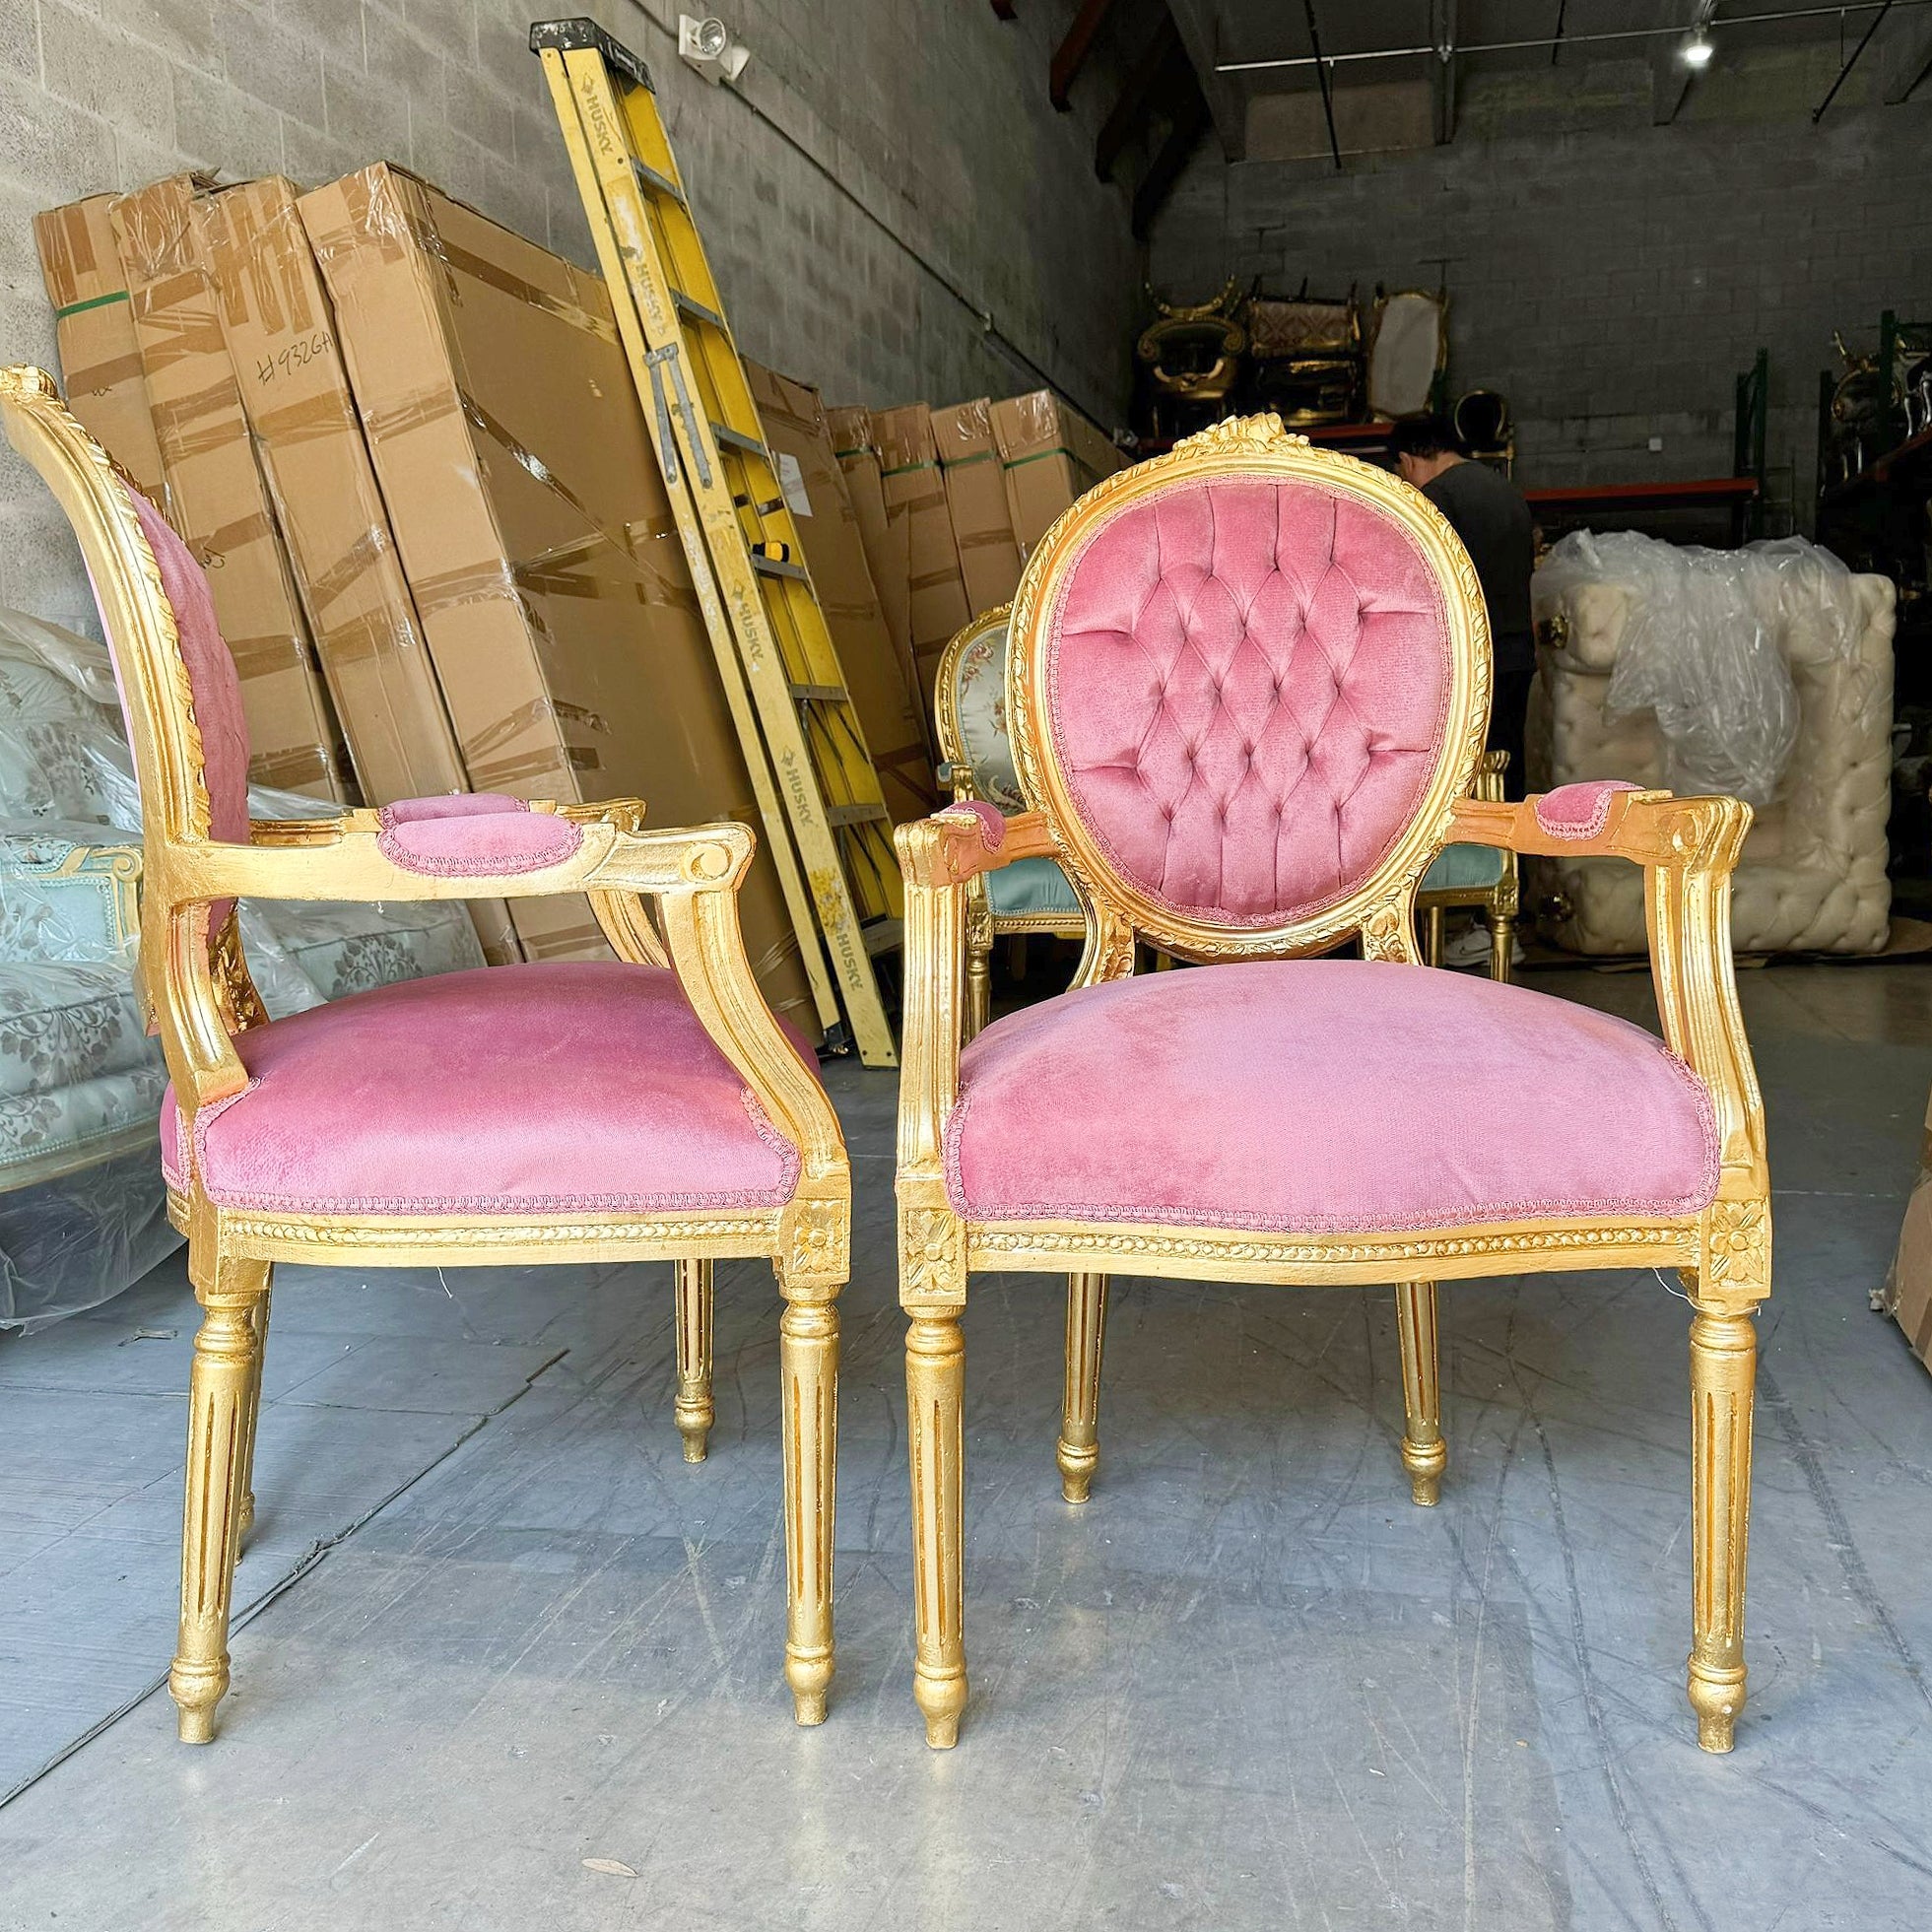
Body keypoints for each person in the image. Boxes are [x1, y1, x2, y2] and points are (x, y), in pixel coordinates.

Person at [1388, 415, 1535, 805]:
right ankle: (1514, 858)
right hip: (1516, 651)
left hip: (1470, 658)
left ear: (1409, 460)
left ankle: (1477, 860)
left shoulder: (1437, 498)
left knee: (1465, 767)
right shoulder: (1506, 491)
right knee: (1506, 763)